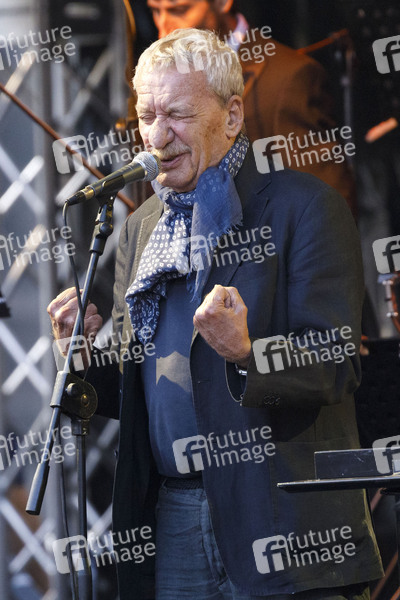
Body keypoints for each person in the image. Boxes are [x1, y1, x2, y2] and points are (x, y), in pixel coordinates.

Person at [48, 29, 382, 600]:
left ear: (231, 117)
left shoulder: (304, 207)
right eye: (146, 116)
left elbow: (337, 364)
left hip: (281, 520)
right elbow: (142, 391)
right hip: (174, 517)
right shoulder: (140, 228)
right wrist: (78, 358)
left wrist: (247, 353)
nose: (157, 136)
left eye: (177, 115)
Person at [141, 0, 357, 214]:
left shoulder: (288, 78)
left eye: (179, 10)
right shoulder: (155, 80)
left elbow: (328, 208)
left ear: (222, 3)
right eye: (155, 12)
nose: (163, 28)